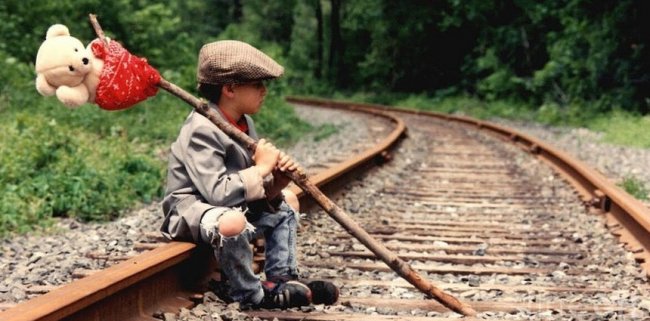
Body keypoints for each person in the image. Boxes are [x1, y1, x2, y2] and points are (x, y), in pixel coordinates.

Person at [160, 40, 337, 309]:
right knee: (232, 222)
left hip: (230, 207)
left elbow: (246, 188)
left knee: (287, 203)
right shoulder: (201, 128)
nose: (264, 91)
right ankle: (249, 293)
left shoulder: (244, 121)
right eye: (257, 85)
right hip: (193, 210)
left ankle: (282, 278)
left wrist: (276, 184)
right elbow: (217, 193)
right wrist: (261, 168)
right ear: (229, 88)